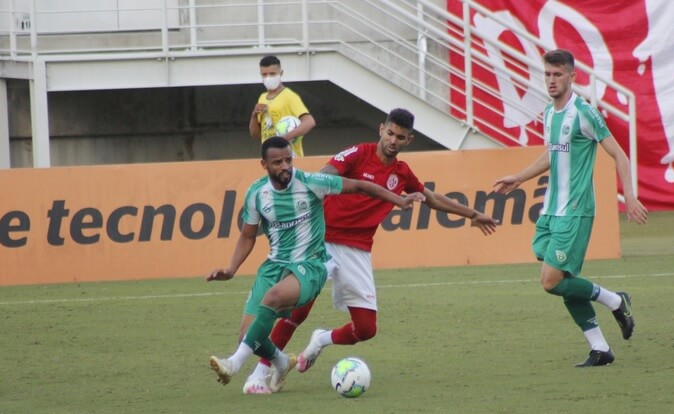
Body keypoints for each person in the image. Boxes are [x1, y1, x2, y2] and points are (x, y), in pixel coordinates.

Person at [239, 108, 499, 393]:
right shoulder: (356, 154)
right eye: (390, 133)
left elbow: (432, 198)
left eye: (400, 137)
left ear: (408, 140)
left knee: (366, 329)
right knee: (298, 311)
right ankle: (260, 372)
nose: (393, 140)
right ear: (381, 129)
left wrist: (473, 214)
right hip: (321, 242)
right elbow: (324, 175)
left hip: (358, 249)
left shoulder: (401, 173)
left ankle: (321, 340)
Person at [207, 136, 423, 392]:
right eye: (278, 162)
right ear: (264, 164)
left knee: (274, 297)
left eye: (289, 159)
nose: (285, 166)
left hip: (309, 265)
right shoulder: (256, 193)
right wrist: (231, 269)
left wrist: (398, 200)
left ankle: (233, 363)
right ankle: (280, 361)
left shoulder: (310, 182)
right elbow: (247, 235)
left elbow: (361, 186)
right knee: (247, 336)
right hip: (274, 265)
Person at [492, 49, 648, 367]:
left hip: (576, 209)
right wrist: (519, 178)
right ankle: (600, 348)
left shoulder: (585, 113)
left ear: (572, 77)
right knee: (561, 280)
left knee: (550, 280)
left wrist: (629, 195)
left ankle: (617, 301)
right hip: (551, 210)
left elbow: (620, 155)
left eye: (558, 74)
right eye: (547, 74)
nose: (551, 80)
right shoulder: (550, 114)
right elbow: (551, 154)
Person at [249, 55, 316, 157]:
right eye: (264, 75)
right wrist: (254, 115)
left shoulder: (289, 96)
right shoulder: (262, 98)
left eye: (272, 74)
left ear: (281, 73)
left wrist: (284, 138)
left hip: (290, 155)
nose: (268, 78)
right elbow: (257, 135)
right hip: (270, 157)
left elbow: (309, 122)